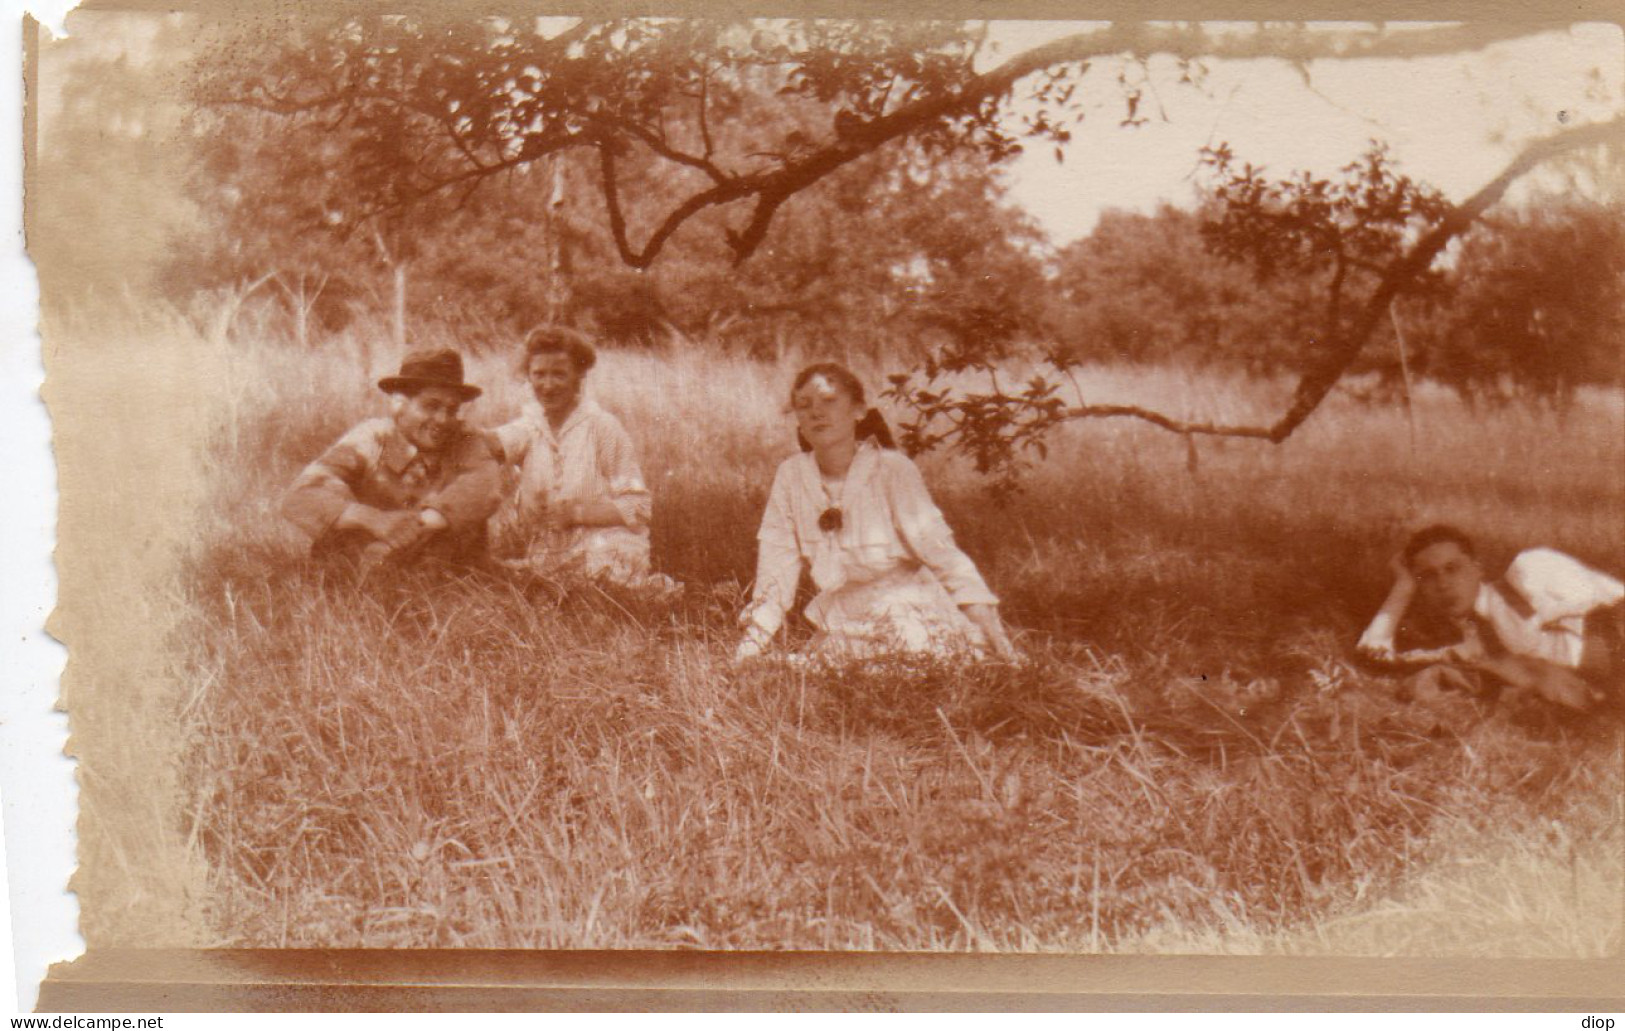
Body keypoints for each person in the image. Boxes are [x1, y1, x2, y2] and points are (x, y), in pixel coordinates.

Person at [736, 362, 1016, 663]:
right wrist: (750, 646)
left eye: (829, 401)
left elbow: (940, 551)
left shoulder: (892, 469)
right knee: (805, 672)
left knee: (904, 669)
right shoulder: (791, 475)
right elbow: (776, 569)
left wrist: (993, 633)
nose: (815, 412)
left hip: (910, 615)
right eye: (803, 405)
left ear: (859, 410)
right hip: (843, 621)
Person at [1358, 524, 1624, 712]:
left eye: (1453, 569)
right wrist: (1403, 586)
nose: (1443, 584)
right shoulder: (1466, 643)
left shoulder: (1527, 571)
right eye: (1428, 576)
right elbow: (1373, 655)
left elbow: (1617, 603)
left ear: (1477, 568)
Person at [283, 348, 504, 572]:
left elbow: (485, 486)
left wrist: (417, 527)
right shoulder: (371, 438)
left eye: (452, 410)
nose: (443, 420)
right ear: (399, 404)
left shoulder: (467, 439)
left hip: (448, 580)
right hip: (361, 577)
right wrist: (374, 519)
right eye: (431, 406)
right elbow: (299, 496)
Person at [490, 325, 671, 591]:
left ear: (578, 378)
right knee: (519, 586)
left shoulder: (602, 427)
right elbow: (490, 444)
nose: (547, 385)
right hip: (551, 553)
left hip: (608, 547)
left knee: (589, 590)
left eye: (559, 375)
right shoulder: (530, 426)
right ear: (528, 377)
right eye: (538, 374)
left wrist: (578, 513)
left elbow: (639, 506)